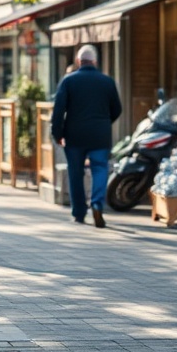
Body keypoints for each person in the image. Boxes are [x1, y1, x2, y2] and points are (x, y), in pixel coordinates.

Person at [51, 44, 122, 229]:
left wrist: (57, 134)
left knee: (75, 172)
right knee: (100, 168)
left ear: (78, 61)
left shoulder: (68, 81)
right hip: (100, 135)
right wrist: (105, 123)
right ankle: (97, 203)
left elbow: (58, 110)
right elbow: (117, 109)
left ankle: (79, 212)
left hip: (74, 135)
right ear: (95, 61)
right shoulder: (107, 81)